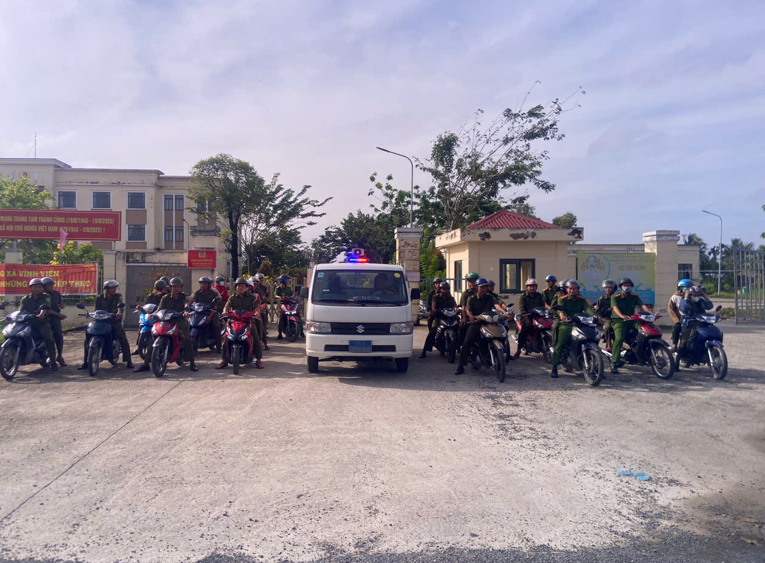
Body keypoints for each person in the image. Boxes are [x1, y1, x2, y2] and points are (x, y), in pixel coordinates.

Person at [78, 280, 133, 370]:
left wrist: (119, 313)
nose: (114, 290)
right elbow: (97, 310)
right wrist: (92, 315)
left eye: (115, 288)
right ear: (106, 289)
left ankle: (129, 360)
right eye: (111, 288)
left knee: (122, 337)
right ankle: (86, 362)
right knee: (87, 338)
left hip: (114, 320)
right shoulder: (99, 298)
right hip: (101, 321)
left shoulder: (118, 296)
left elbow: (120, 307)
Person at [455, 278, 505, 374]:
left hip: (488, 322)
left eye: (485, 287)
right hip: (476, 322)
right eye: (481, 287)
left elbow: (497, 306)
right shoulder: (471, 298)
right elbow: (468, 310)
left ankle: (499, 357)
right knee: (467, 342)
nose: (484, 289)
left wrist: (504, 312)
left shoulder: (490, 297)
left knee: (501, 334)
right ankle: (461, 366)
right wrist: (470, 316)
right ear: (477, 288)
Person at [549, 280, 595, 378]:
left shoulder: (582, 300)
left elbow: (587, 309)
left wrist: (594, 316)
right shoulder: (562, 299)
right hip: (567, 324)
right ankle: (554, 367)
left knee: (591, 337)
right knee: (560, 344)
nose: (572, 291)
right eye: (570, 289)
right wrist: (562, 316)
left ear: (578, 289)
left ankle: (595, 366)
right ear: (566, 289)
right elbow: (560, 310)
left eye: (574, 289)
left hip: (579, 323)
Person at [217, 278, 263, 369]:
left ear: (246, 287)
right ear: (236, 287)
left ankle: (259, 360)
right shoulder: (232, 297)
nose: (240, 287)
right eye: (238, 286)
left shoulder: (251, 297)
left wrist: (257, 313)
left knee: (255, 338)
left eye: (242, 286)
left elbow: (256, 307)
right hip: (234, 321)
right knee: (226, 339)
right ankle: (224, 360)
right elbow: (227, 306)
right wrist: (224, 311)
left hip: (248, 321)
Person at [610, 277, 652, 374]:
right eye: (625, 285)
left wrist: (651, 313)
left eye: (629, 285)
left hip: (632, 320)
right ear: (621, 287)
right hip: (619, 321)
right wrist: (621, 316)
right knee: (619, 339)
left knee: (645, 330)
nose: (627, 287)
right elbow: (615, 308)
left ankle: (642, 354)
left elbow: (642, 305)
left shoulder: (634, 297)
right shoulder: (615, 297)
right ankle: (614, 362)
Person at [155, 277, 197, 371]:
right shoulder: (165, 298)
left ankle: (192, 362)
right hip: (167, 320)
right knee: (155, 335)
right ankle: (146, 362)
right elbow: (160, 309)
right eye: (174, 287)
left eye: (178, 287)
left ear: (181, 287)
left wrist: (186, 311)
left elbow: (186, 304)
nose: (176, 289)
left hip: (179, 320)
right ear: (170, 287)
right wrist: (153, 314)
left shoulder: (184, 297)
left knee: (186, 339)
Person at [21, 279, 58, 371]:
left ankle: (53, 361)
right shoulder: (25, 299)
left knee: (48, 338)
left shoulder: (46, 296)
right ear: (31, 288)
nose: (37, 289)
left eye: (39, 287)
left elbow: (45, 306)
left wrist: (42, 314)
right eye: (35, 287)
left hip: (42, 322)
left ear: (42, 288)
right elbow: (21, 311)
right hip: (29, 322)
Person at [132, 280, 169, 372]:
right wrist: (141, 308)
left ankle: (191, 361)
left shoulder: (167, 296)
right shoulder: (151, 296)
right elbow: (146, 306)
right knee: (142, 327)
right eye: (163, 288)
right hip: (153, 317)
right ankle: (144, 360)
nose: (165, 289)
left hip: (164, 318)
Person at [419, 281, 457, 359]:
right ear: (440, 289)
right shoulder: (436, 297)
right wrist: (434, 309)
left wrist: (456, 309)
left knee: (458, 327)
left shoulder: (451, 298)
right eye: (443, 289)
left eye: (446, 289)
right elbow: (433, 305)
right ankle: (424, 351)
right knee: (433, 330)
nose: (445, 291)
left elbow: (455, 306)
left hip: (449, 317)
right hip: (439, 317)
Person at [513, 279, 546, 359]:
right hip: (526, 316)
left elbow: (543, 306)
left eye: (534, 286)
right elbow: (522, 309)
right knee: (524, 330)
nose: (532, 288)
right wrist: (527, 319)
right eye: (530, 286)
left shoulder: (539, 295)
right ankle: (518, 350)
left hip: (538, 316)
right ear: (527, 287)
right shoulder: (523, 296)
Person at [677, 285, 714, 356]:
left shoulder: (701, 301)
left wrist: (705, 297)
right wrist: (686, 297)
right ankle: (678, 360)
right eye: (695, 295)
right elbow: (684, 309)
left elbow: (710, 306)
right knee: (683, 343)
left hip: (700, 323)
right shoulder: (683, 300)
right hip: (688, 324)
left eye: (698, 295)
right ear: (690, 295)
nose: (697, 297)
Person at [189, 276, 222, 354]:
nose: (203, 285)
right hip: (199, 312)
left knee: (216, 325)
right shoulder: (197, 292)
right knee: (189, 323)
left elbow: (216, 305)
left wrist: (210, 316)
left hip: (211, 312)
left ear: (209, 284)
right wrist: (188, 306)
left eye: (204, 284)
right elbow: (192, 301)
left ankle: (219, 347)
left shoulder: (214, 292)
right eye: (201, 284)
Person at [41, 277, 67, 367]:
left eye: (52, 285)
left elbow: (61, 303)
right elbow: (46, 309)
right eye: (49, 285)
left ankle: (59, 356)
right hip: (44, 317)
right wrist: (59, 315)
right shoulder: (41, 295)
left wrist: (62, 305)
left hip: (54, 318)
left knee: (58, 335)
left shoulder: (56, 294)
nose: (51, 287)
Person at [668, 279, 694, 352]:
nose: (688, 289)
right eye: (685, 287)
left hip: (692, 318)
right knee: (676, 327)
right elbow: (671, 309)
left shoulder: (693, 296)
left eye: (689, 287)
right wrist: (676, 320)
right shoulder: (675, 297)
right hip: (681, 319)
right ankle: (674, 345)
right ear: (680, 288)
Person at [458, 272, 481, 349]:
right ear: (468, 283)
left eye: (475, 281)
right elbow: (463, 307)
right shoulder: (466, 294)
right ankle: (464, 347)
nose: (473, 283)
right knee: (463, 328)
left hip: (481, 316)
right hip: (469, 317)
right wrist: (464, 318)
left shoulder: (481, 292)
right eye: (471, 281)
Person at [593, 280, 616, 352]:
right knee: (608, 327)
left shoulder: (617, 297)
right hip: (606, 318)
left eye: (610, 288)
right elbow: (598, 311)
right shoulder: (602, 299)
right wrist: (600, 317)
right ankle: (609, 345)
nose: (608, 289)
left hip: (617, 317)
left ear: (614, 288)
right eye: (606, 288)